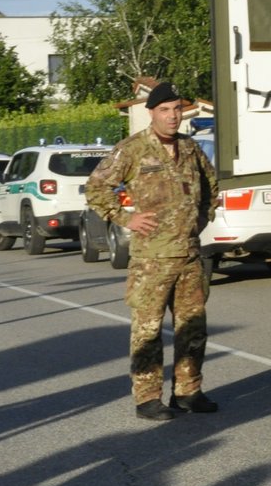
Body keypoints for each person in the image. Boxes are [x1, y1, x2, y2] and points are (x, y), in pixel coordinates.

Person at [86, 82, 219, 421]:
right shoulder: (133, 149)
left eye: (177, 109)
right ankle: (147, 397)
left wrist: (199, 220)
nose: (173, 116)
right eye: (165, 110)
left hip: (188, 255)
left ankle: (188, 392)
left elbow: (210, 187)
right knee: (148, 330)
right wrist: (124, 218)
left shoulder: (191, 149)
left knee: (193, 328)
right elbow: (96, 187)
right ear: (152, 112)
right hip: (151, 259)